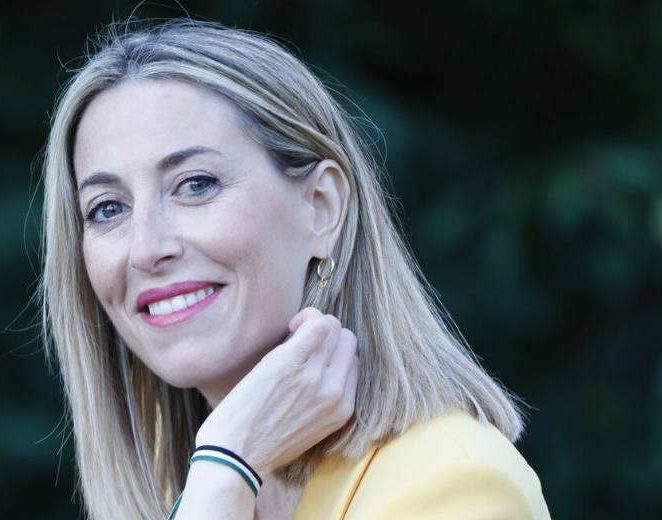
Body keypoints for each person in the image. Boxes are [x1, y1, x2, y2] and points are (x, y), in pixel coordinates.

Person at [41, 19, 551, 520]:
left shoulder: (454, 484)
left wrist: (226, 468)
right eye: (108, 208)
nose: (146, 249)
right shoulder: (174, 482)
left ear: (321, 207)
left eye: (195, 185)